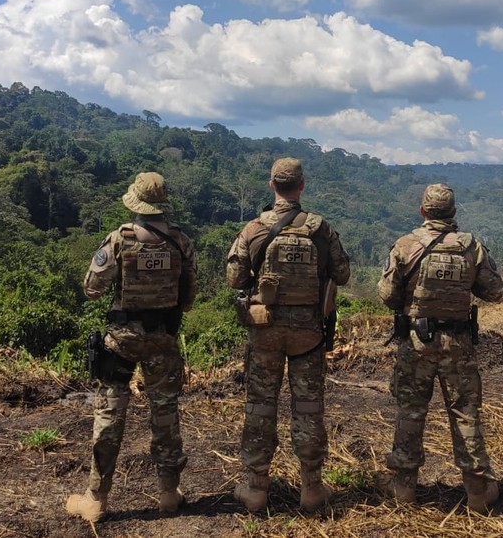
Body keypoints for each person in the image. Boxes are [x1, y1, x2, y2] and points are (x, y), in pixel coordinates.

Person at [66, 171, 197, 523]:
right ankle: (169, 493)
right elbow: (188, 298)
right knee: (165, 412)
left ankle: (96, 498)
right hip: (163, 339)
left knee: (110, 413)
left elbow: (92, 287)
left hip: (122, 340)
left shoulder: (119, 240)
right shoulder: (181, 243)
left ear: (136, 202)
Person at [226, 157, 351, 513]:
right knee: (308, 409)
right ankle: (311, 488)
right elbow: (341, 274)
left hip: (265, 333)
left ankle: (255, 489)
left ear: (271, 186)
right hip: (308, 335)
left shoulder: (254, 229)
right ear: (302, 186)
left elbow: (235, 278)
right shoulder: (320, 228)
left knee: (260, 408)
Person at [377, 183, 503, 512]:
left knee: (410, 411)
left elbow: (389, 296)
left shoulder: (405, 246)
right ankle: (477, 492)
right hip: (459, 344)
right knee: (466, 413)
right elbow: (494, 291)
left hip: (416, 342)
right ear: (453, 213)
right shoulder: (470, 246)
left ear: (423, 212)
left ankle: (404, 488)